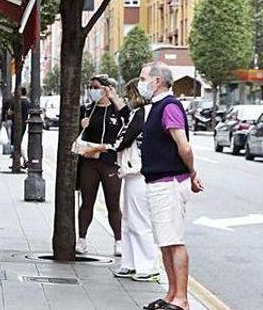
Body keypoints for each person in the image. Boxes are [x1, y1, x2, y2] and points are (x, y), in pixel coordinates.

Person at [137, 62, 203, 310]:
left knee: (174, 241)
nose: (140, 83)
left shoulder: (170, 107)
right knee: (165, 242)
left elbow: (183, 146)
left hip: (169, 183)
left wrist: (192, 172)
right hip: (157, 182)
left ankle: (182, 300)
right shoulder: (156, 107)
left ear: (157, 81)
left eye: (143, 78)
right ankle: (171, 294)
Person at [106, 79, 161, 283]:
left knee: (139, 221)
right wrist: (114, 99)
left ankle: (148, 266)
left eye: (128, 96)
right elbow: (127, 119)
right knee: (129, 221)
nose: (127, 100)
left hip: (138, 173)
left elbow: (125, 137)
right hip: (133, 172)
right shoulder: (141, 113)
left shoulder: (142, 113)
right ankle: (130, 263)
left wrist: (104, 149)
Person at [74, 75, 125, 256]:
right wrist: (82, 127)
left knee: (113, 203)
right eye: (90, 87)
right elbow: (75, 138)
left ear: (106, 89)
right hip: (90, 162)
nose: (92, 90)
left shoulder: (117, 111)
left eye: (95, 87)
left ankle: (118, 241)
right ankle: (82, 239)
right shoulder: (86, 110)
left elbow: (125, 135)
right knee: (87, 202)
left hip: (110, 163)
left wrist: (107, 149)